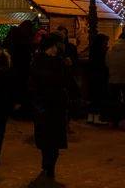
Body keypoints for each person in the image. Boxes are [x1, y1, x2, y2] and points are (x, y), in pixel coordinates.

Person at [31, 35, 78, 179]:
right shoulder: (37, 63)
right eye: (52, 46)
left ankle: (51, 164)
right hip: (44, 105)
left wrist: (75, 95)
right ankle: (46, 159)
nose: (55, 49)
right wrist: (37, 103)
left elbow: (69, 80)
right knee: (45, 137)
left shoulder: (60, 62)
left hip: (58, 104)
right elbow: (33, 84)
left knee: (56, 137)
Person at [4, 20, 34, 120]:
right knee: (22, 88)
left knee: (14, 88)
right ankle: (21, 111)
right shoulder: (26, 36)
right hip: (23, 65)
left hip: (15, 64)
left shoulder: (13, 34)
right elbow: (30, 49)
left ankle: (14, 110)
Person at [106, 33, 125, 129]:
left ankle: (115, 121)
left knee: (115, 101)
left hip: (113, 79)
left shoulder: (110, 51)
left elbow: (107, 64)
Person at [88, 34, 110, 125]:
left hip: (93, 76)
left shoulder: (93, 49)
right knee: (99, 97)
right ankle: (97, 117)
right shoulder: (101, 51)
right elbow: (104, 63)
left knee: (93, 97)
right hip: (100, 76)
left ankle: (91, 116)